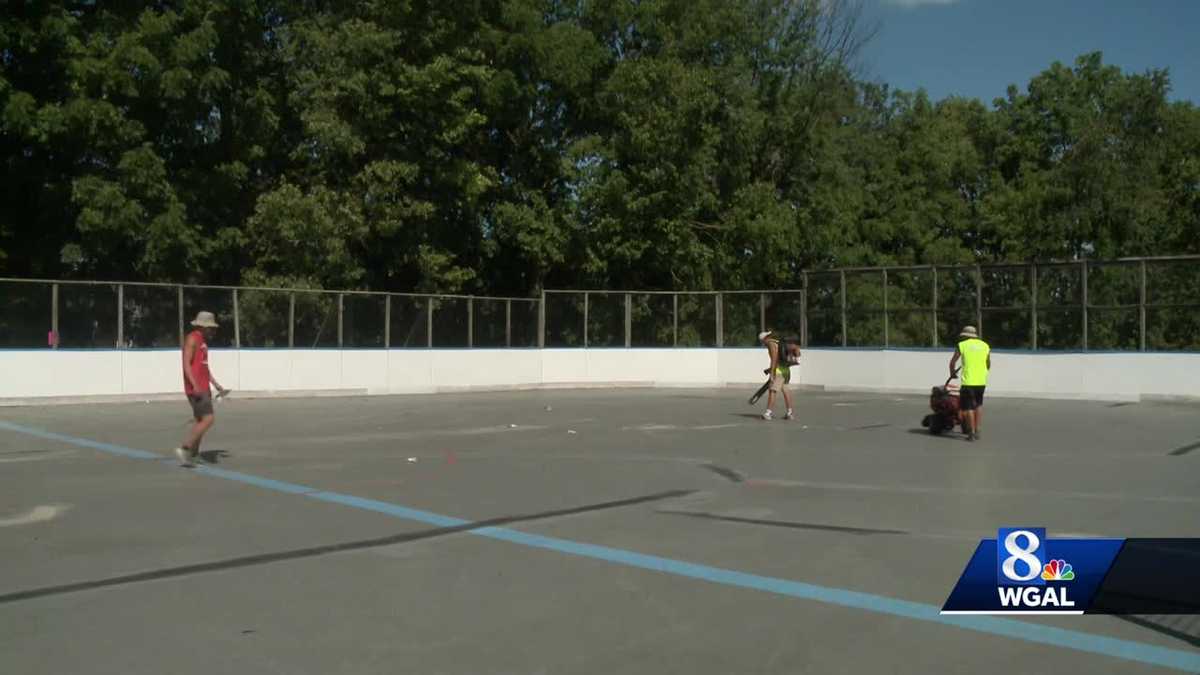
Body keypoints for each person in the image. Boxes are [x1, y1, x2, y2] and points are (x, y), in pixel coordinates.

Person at [176, 311, 228, 466]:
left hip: (204, 386)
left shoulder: (203, 342)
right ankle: (186, 448)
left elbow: (204, 367)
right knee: (208, 419)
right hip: (197, 388)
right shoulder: (192, 339)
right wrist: (194, 385)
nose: (213, 331)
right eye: (211, 328)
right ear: (203, 327)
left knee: (200, 420)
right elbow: (186, 364)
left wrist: (216, 384)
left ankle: (193, 454)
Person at [949, 325, 990, 442]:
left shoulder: (962, 345)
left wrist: (953, 373)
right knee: (978, 405)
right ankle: (977, 430)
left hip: (968, 382)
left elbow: (952, 362)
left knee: (968, 408)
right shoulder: (985, 346)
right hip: (981, 381)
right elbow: (988, 364)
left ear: (965, 336)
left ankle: (971, 433)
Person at [758, 331, 800, 421]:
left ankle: (768, 413)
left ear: (764, 339)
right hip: (786, 370)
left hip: (779, 372)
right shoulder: (778, 342)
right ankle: (790, 413)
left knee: (772, 391)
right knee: (786, 391)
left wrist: (772, 374)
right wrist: (769, 369)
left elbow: (774, 359)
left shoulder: (771, 344)